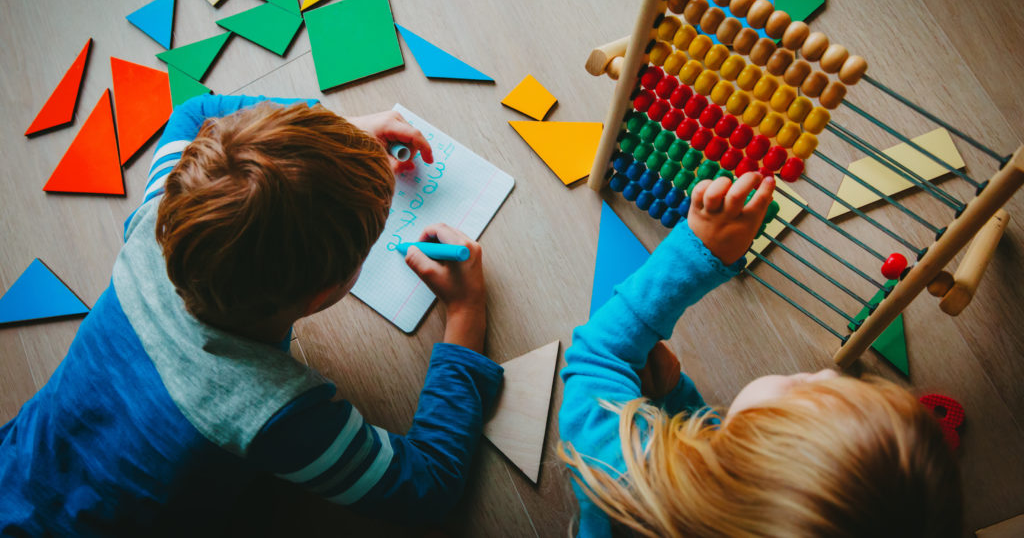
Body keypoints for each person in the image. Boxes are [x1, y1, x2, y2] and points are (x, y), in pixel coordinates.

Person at [0, 95, 501, 536]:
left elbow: (194, 113)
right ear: (327, 291)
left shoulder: (154, 221)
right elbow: (427, 486)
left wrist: (330, 133)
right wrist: (466, 312)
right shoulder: (275, 412)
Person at [558, 172, 962, 537]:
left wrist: (698, 252)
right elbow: (717, 444)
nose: (829, 376)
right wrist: (672, 399)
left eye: (802, 392)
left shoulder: (623, 477)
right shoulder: (741, 507)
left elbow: (597, 354)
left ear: (735, 478)